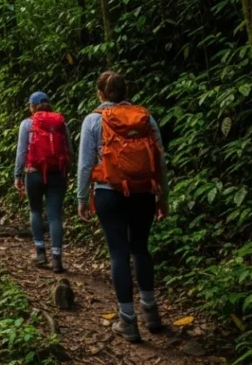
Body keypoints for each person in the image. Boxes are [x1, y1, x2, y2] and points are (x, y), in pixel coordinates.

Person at [78, 71, 169, 343]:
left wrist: (82, 199)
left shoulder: (93, 119)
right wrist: (163, 196)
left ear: (100, 93)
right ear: (126, 91)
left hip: (109, 193)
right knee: (140, 247)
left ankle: (128, 322)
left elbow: (84, 165)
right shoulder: (145, 117)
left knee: (118, 253)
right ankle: (151, 313)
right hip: (143, 193)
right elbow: (160, 159)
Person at [14, 92, 74, 273]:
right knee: (55, 215)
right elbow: (69, 150)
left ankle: (40, 252)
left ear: (32, 106)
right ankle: (57, 258)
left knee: (35, 210)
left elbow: (21, 151)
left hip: (34, 173)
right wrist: (66, 171)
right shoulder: (60, 123)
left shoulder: (27, 124)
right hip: (57, 174)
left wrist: (17, 175)